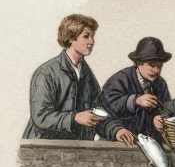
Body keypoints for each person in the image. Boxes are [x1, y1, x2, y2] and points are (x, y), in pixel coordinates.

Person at [24, 14, 132, 144]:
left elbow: (99, 111)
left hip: (77, 148)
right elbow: (41, 117)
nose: (92, 41)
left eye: (92, 36)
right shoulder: (46, 72)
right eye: (86, 36)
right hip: (44, 148)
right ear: (70, 38)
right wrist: (75, 118)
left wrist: (116, 130)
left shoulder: (87, 74)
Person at [103, 37, 172, 138]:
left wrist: (158, 118)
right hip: (123, 140)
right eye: (152, 65)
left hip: (150, 141)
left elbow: (167, 108)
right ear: (139, 63)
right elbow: (108, 106)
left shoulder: (161, 84)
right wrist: (135, 101)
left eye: (159, 66)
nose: (156, 70)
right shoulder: (119, 79)